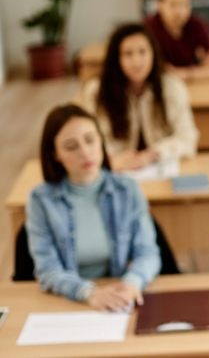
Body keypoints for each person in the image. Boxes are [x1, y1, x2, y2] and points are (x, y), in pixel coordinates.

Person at [25, 104, 161, 310]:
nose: (85, 152)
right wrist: (89, 293)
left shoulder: (127, 189)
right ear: (55, 154)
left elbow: (148, 252)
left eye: (90, 140)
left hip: (120, 296)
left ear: (101, 141)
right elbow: (48, 271)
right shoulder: (40, 200)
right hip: (70, 299)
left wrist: (132, 282)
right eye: (71, 147)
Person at [77, 23, 199, 171]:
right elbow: (89, 139)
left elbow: (188, 138)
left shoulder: (172, 87)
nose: (137, 61)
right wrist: (112, 160)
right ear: (116, 59)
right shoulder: (96, 92)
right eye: (128, 54)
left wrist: (153, 154)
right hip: (114, 169)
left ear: (153, 53)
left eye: (143, 52)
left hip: (159, 167)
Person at [145, 0, 209, 79]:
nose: (179, 12)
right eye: (173, 5)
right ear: (159, 4)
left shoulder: (196, 25)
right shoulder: (148, 28)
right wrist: (200, 70)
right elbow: (155, 72)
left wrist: (183, 73)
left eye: (185, 5)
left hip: (197, 88)